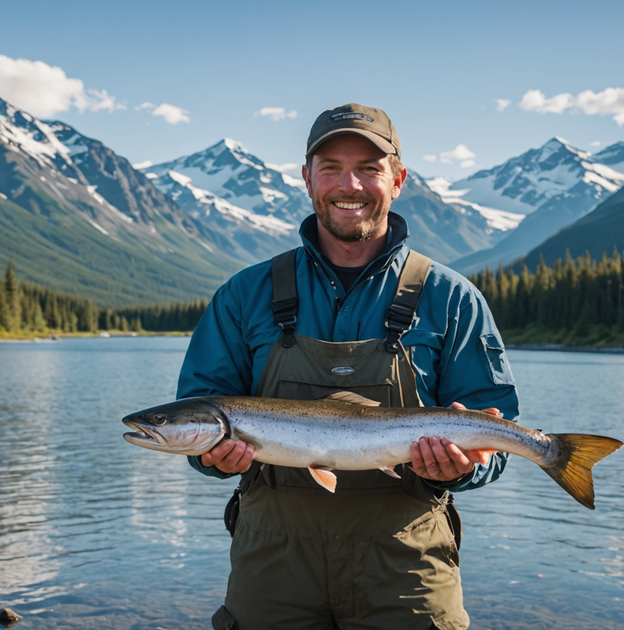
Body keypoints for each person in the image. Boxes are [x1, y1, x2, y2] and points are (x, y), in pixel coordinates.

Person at [176, 103, 519, 630]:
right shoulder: (245, 295)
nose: (348, 184)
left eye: (369, 168)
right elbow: (197, 414)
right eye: (331, 166)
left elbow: (494, 431)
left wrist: (469, 464)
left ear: (398, 179)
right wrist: (212, 459)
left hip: (407, 570)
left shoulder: (453, 298)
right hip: (272, 568)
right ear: (307, 177)